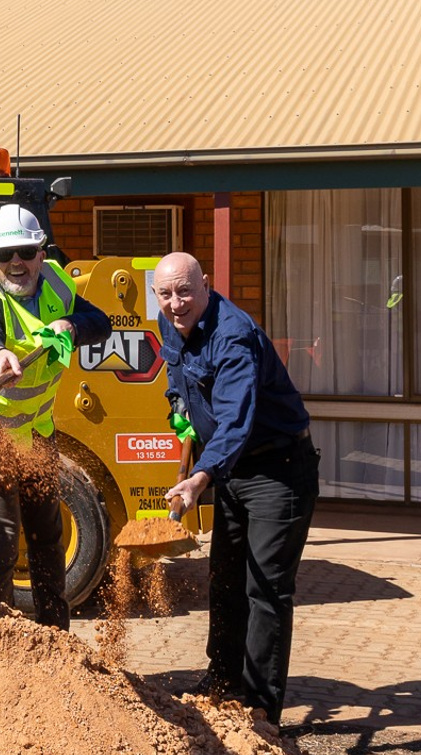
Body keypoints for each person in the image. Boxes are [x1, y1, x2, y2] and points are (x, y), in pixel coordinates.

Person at [153, 251, 319, 726]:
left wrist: (200, 477)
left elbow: (235, 423)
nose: (176, 302)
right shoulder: (172, 323)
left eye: (185, 290)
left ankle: (261, 708)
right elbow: (176, 371)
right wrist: (179, 407)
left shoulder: (233, 337)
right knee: (224, 578)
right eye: (165, 294)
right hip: (232, 470)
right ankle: (222, 679)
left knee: (264, 588)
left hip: (278, 469)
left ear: (206, 284)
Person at [0, 204, 111, 626]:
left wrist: (72, 326)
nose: (16, 263)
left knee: (48, 535)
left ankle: (54, 636)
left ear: (42, 252)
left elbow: (101, 321)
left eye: (25, 251)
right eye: (5, 256)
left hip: (37, 433)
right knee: (0, 542)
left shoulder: (57, 282)